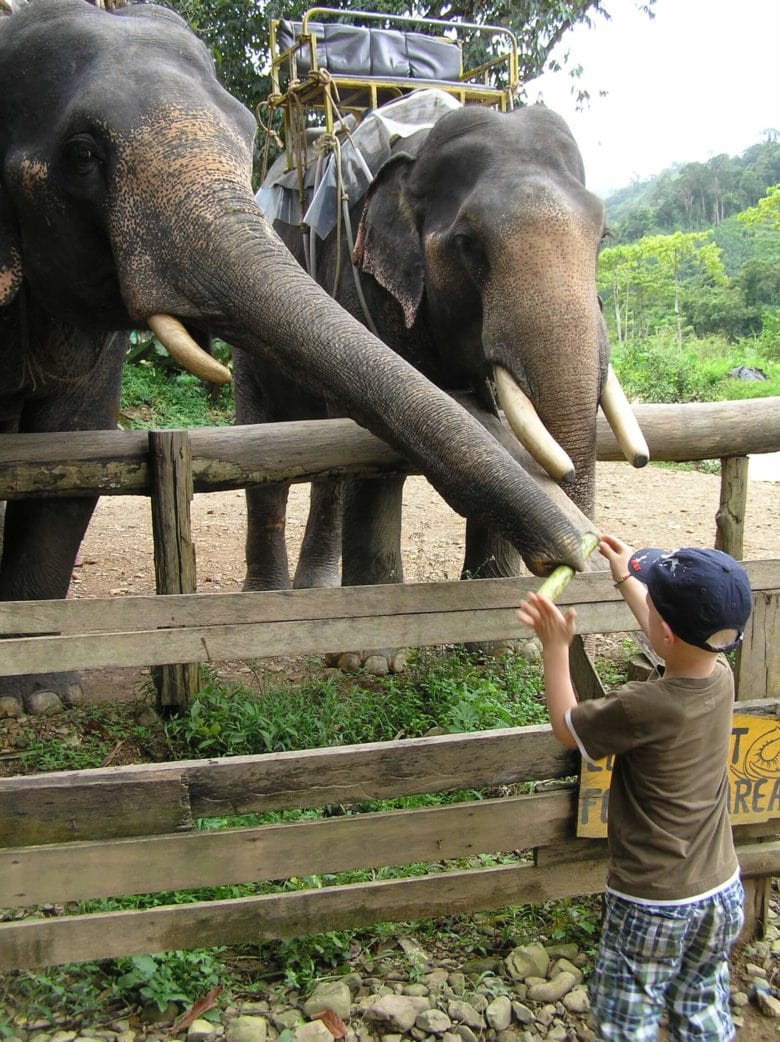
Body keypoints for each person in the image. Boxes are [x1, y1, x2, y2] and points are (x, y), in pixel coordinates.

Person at [516, 535, 753, 1042]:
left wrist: (556, 650)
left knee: (629, 1017)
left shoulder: (645, 705)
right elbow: (670, 631)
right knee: (701, 1000)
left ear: (663, 631)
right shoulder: (722, 676)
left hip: (653, 900)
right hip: (720, 888)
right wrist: (626, 576)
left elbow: (567, 726)